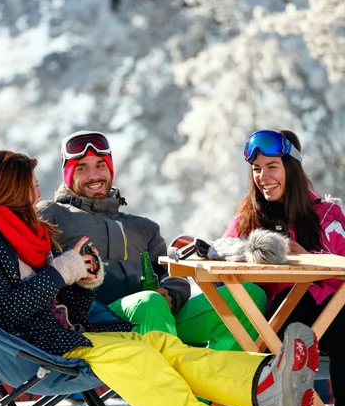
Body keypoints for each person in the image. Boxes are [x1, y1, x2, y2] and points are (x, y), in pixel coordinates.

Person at [0, 150, 319, 406]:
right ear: (10, 188)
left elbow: (59, 310)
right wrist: (63, 271)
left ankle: (265, 384)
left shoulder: (20, 234)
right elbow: (6, 313)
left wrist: (82, 282)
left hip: (59, 337)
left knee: (157, 344)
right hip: (29, 353)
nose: (38, 191)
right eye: (31, 184)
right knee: (138, 354)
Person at [37, 130, 267, 352]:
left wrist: (171, 294)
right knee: (149, 303)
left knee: (247, 296)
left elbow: (172, 272)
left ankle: (213, 389)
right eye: (82, 168)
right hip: (98, 323)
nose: (94, 175)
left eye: (100, 165)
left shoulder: (143, 227)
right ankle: (176, 386)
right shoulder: (53, 215)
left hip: (159, 318)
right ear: (68, 174)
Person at [224, 129, 345, 406]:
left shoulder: (327, 215)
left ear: (292, 168)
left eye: (272, 166)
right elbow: (222, 261)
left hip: (331, 318)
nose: (263, 176)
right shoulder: (246, 222)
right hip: (273, 322)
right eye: (256, 169)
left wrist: (308, 257)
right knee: (292, 320)